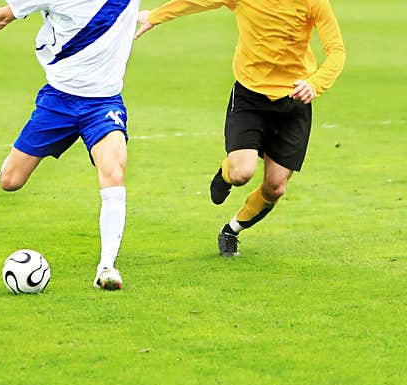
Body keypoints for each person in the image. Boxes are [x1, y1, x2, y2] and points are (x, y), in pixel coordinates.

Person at [0, 0, 141, 289]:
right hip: (57, 101)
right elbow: (2, 17)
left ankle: (106, 267)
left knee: (114, 171)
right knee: (10, 180)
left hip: (103, 103)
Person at [135, 0, 346, 257]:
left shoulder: (313, 2)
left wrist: (315, 84)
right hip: (250, 96)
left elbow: (336, 50)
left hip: (294, 100)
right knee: (241, 173)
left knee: (275, 186)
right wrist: (155, 16)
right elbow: (197, 1)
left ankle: (231, 230)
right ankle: (225, 174)